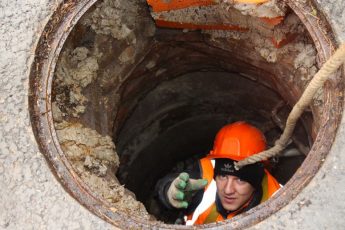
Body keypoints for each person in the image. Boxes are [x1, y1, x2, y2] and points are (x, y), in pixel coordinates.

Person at [156, 121, 281, 225]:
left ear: (256, 180)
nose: (227, 190)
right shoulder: (205, 175)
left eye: (240, 180)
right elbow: (167, 185)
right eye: (223, 176)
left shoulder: (278, 201)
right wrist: (170, 193)